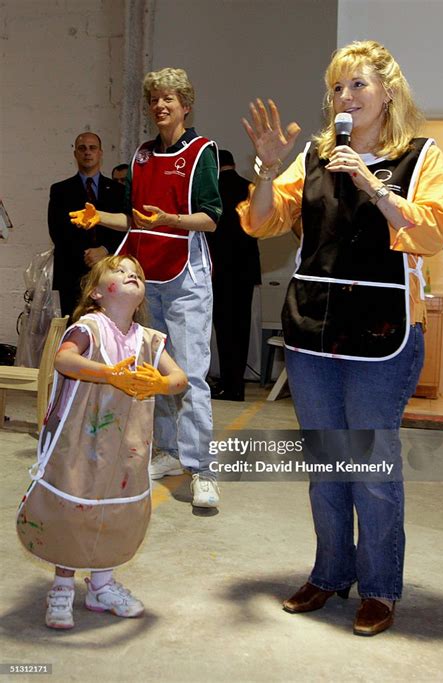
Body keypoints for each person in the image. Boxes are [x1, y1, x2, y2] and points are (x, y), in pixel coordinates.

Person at [238, 40, 443, 636]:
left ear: (388, 92)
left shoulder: (420, 156)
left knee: (372, 467)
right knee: (329, 463)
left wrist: (373, 183)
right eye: (337, 87)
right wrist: (266, 169)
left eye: (357, 85)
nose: (345, 97)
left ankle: (379, 587)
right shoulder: (312, 157)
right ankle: (330, 573)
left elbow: (430, 233)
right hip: (312, 334)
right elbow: (260, 221)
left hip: (383, 337)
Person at [70, 68, 222, 508]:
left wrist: (170, 220)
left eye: (169, 98)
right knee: (153, 373)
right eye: (154, 98)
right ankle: (171, 452)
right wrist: (99, 217)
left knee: (189, 374)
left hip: (186, 278)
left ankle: (203, 469)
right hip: (144, 279)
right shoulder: (139, 156)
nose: (160, 105)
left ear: (185, 105)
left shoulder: (201, 151)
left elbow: (211, 218)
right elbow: (136, 221)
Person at [17, 255, 187, 630]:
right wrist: (109, 374)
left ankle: (102, 584)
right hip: (80, 439)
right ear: (96, 292)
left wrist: (159, 383)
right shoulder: (88, 328)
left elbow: (179, 379)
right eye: (120, 271)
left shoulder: (148, 340)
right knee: (74, 505)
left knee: (114, 510)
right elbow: (65, 361)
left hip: (127, 445)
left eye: (137, 274)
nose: (131, 275)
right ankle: (62, 586)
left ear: (141, 296)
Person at [48, 132, 125, 316]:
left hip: (109, 270)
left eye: (92, 148)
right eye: (82, 148)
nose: (87, 152)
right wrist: (87, 255)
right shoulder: (60, 190)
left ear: (100, 153)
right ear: (75, 154)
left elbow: (126, 229)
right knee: (75, 331)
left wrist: (105, 250)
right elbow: (57, 232)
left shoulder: (118, 191)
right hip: (72, 274)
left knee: (109, 330)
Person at [206, 149, 261, 401]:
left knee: (223, 328)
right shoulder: (250, 188)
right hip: (245, 270)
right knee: (241, 327)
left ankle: (227, 384)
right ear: (234, 164)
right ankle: (237, 385)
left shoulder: (210, 191)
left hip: (218, 269)